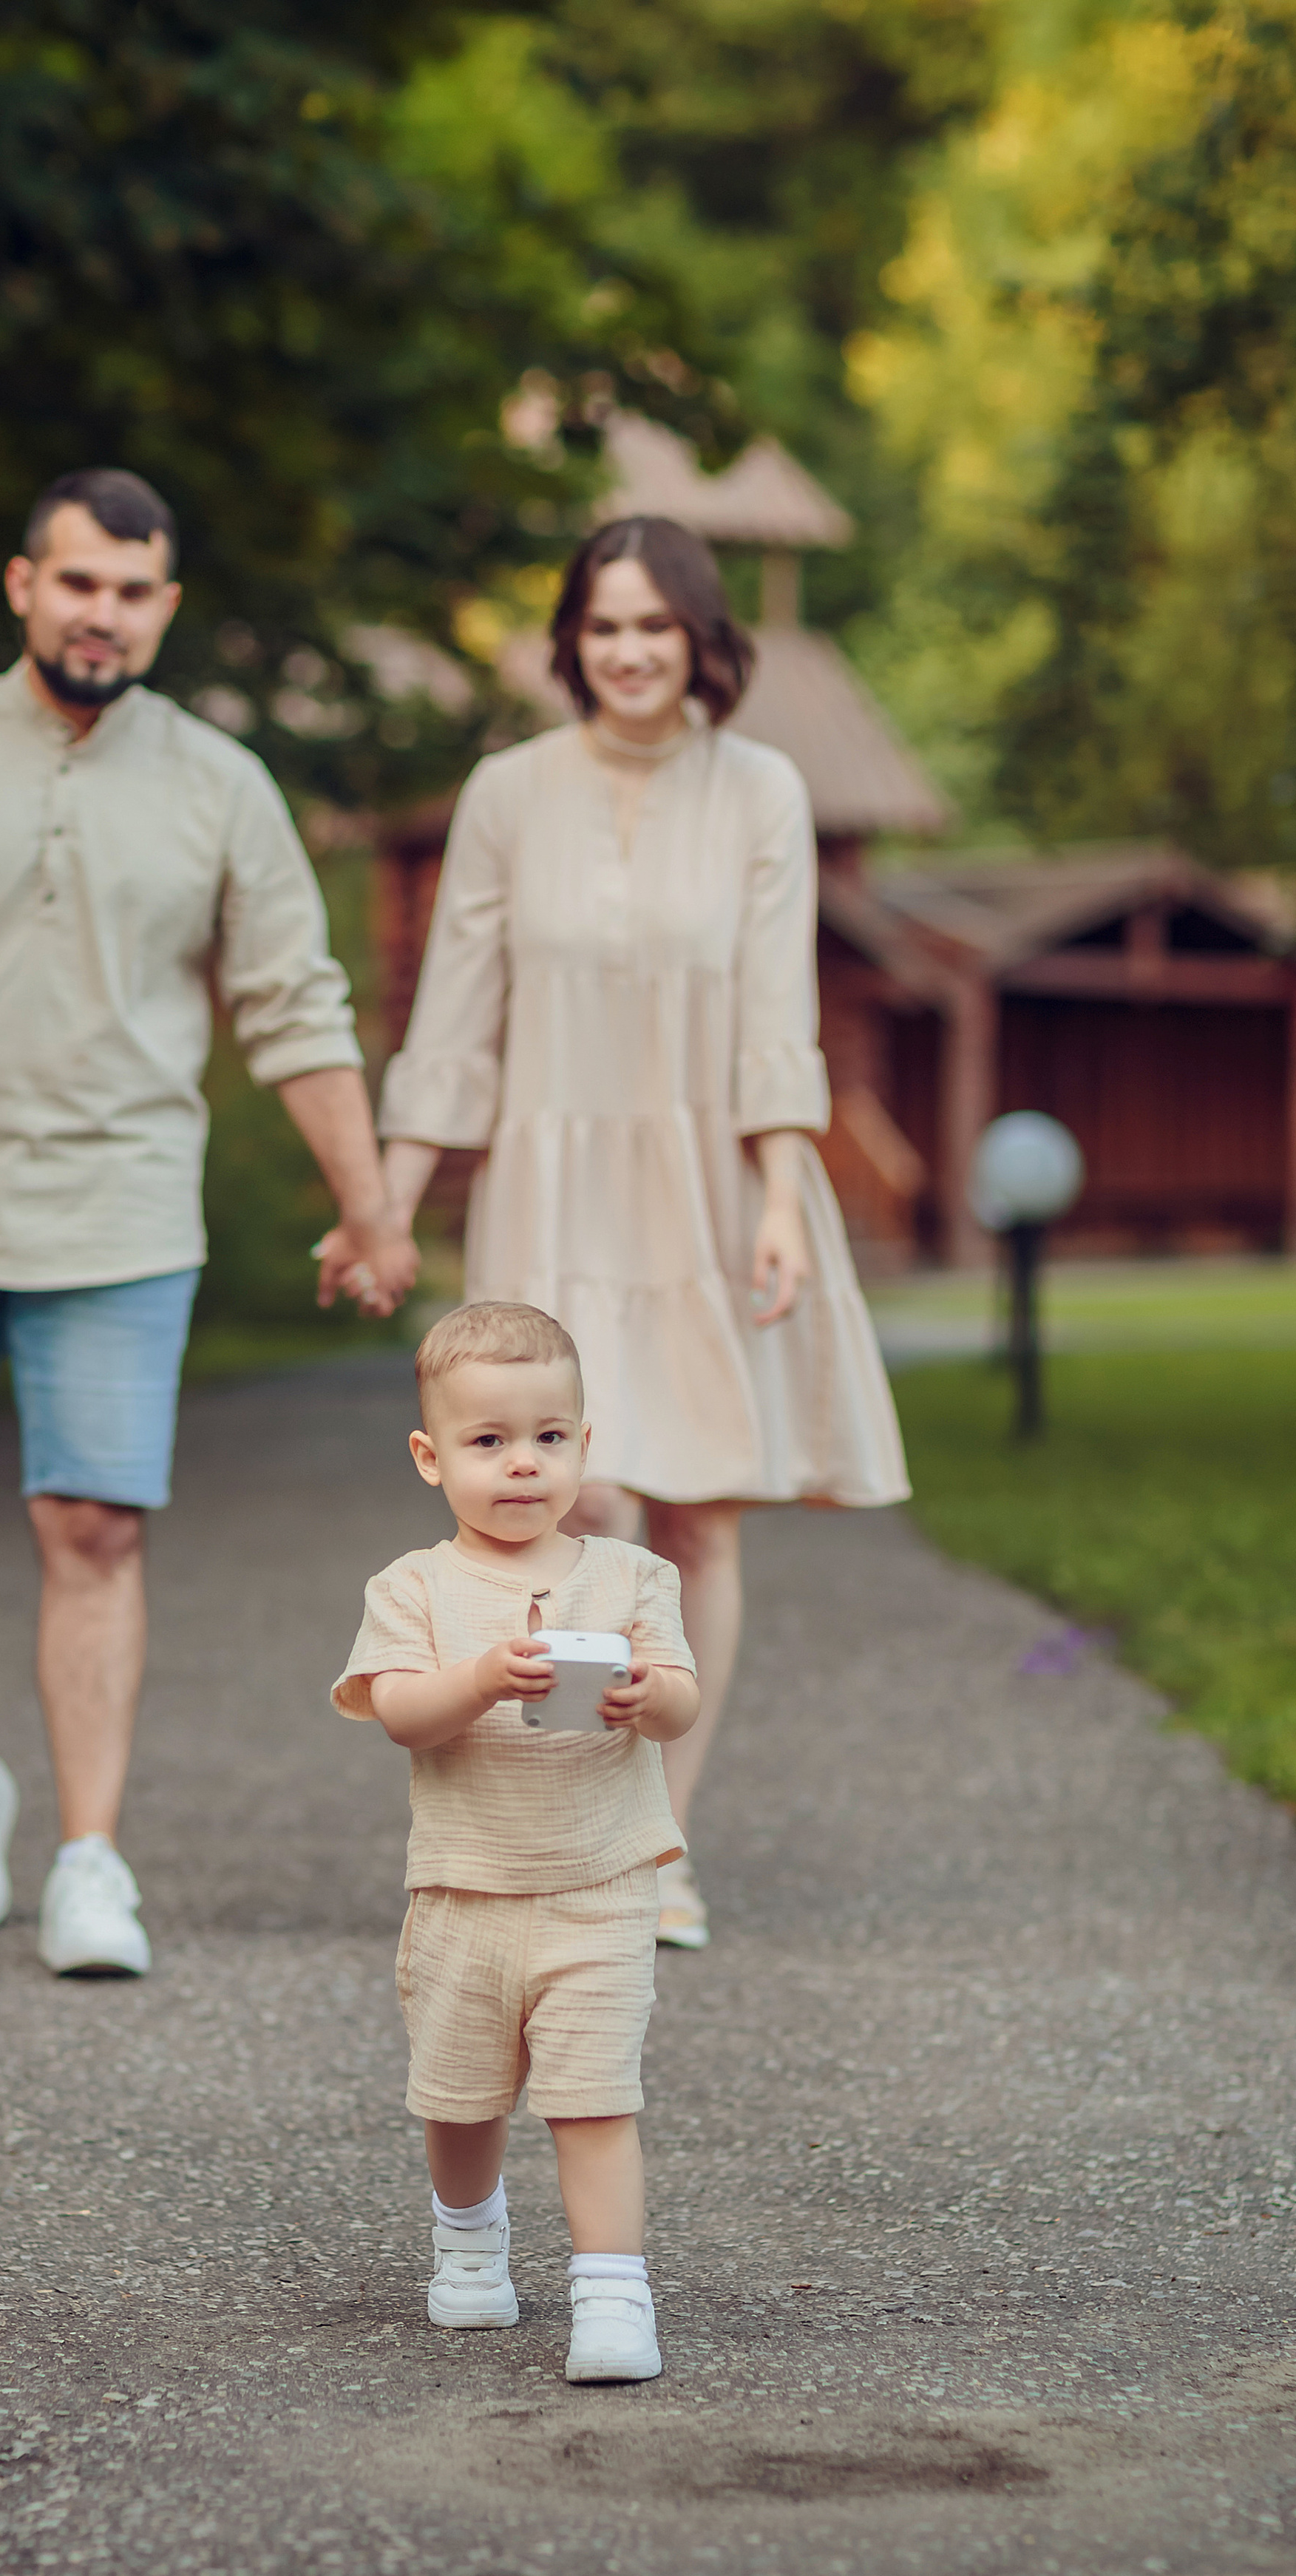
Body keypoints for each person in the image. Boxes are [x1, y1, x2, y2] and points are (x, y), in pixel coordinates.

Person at [0, 466, 418, 1978]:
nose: (101, 615)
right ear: (23, 585)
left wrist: (369, 1203)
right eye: (77, 584)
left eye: (132, 593)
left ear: (166, 608)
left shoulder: (220, 784)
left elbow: (292, 1002)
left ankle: (88, 1860)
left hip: (120, 1208)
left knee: (92, 1525)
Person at [376, 515, 907, 1951]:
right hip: (550, 1187)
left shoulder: (762, 791)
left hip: (709, 1185)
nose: (627, 652)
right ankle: (570, 1831)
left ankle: (659, 1844)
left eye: (653, 626)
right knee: (578, 1506)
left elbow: (777, 1012)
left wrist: (784, 1195)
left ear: (699, 640)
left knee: (696, 1516)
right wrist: (388, 1201)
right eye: (602, 626)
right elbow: (453, 1020)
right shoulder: (507, 793)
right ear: (571, 642)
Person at [333, 1301, 699, 2384]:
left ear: (585, 1444)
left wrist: (646, 1696)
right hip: (466, 1890)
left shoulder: (634, 1576)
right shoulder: (412, 1586)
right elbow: (401, 1713)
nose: (523, 1463)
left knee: (595, 2097)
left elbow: (683, 1700)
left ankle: (613, 2294)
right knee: (460, 2098)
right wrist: (484, 1677)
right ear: (431, 1458)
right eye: (488, 1440)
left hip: (602, 1885)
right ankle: (469, 2238)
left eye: (548, 1437)